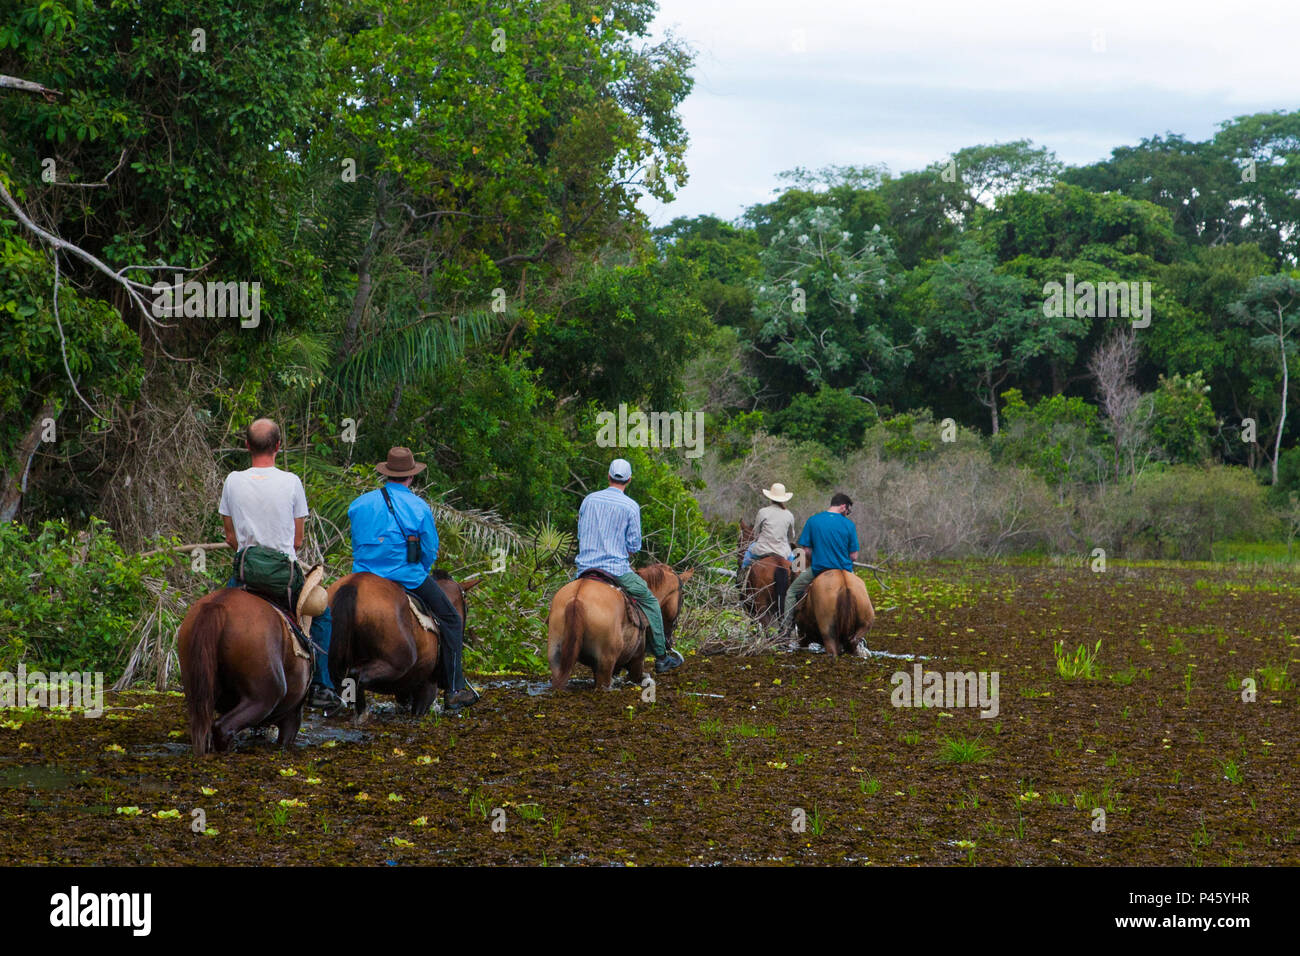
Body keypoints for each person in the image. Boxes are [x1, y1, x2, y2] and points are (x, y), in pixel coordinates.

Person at [219, 418, 341, 709]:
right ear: (278, 446)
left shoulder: (233, 480)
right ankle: (322, 687)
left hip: (245, 573)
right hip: (283, 576)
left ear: (247, 445)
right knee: (322, 616)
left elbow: (229, 536)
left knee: (216, 613)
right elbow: (297, 541)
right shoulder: (291, 482)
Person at [347, 447, 478, 713]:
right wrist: (420, 568)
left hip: (361, 576)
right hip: (406, 576)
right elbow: (429, 550)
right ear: (410, 477)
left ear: (386, 474)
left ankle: (330, 688)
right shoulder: (418, 507)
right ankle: (453, 689)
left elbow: (357, 541)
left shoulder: (358, 504)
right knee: (451, 619)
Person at [575, 458, 681, 674]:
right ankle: (661, 656)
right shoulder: (631, 506)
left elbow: (580, 532)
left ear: (608, 477)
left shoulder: (589, 499)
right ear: (629, 480)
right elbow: (634, 545)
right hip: (615, 570)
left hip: (584, 568)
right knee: (650, 601)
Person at [780, 492, 860, 634]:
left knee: (791, 592)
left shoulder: (813, 520)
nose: (847, 514)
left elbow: (806, 550)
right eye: (848, 511)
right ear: (843, 506)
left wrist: (820, 554)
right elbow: (853, 556)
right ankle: (859, 634)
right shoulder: (849, 524)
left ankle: (786, 629)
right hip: (845, 570)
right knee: (859, 594)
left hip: (819, 569)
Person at [740, 482, 798, 578]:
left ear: (770, 497)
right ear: (784, 499)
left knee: (748, 552)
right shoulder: (789, 514)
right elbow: (792, 536)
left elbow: (756, 533)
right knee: (794, 568)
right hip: (783, 551)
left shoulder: (763, 512)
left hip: (763, 548)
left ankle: (741, 578)